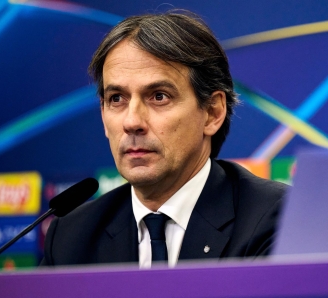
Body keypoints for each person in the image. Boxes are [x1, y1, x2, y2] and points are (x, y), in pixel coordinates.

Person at [41, 10, 287, 268]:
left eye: (159, 96)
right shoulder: (71, 238)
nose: (132, 122)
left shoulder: (275, 219)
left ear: (213, 113)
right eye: (117, 99)